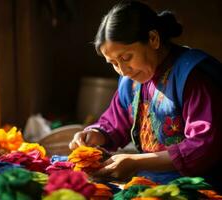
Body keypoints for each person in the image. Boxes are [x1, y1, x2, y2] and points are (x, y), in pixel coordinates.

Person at [69, 0, 222, 192]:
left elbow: (204, 146)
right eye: (113, 63)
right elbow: (115, 123)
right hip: (149, 183)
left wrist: (136, 161)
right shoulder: (131, 81)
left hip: (199, 186)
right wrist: (94, 135)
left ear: (153, 39)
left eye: (126, 58)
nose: (123, 70)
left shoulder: (191, 76)